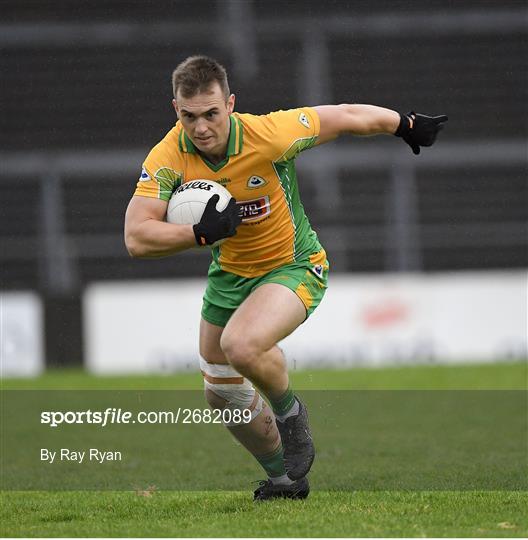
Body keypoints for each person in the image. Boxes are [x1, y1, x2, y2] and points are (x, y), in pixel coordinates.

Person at [124, 55, 447, 501]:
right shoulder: (167, 156)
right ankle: (285, 481)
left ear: (231, 105)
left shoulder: (268, 134)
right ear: (175, 109)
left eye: (211, 114)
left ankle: (290, 414)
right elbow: (137, 237)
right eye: (189, 116)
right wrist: (198, 234)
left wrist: (404, 124)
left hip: (294, 265)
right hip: (229, 274)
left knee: (242, 345)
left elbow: (345, 115)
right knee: (219, 392)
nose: (200, 128)